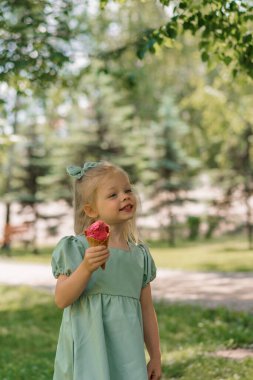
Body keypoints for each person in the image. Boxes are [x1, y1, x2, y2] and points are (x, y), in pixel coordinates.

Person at [51, 161, 162, 380]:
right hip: (88, 350)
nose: (124, 196)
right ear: (91, 209)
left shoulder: (139, 255)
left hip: (127, 353)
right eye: (113, 195)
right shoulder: (77, 248)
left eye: (128, 190)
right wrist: (86, 268)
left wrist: (156, 356)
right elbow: (62, 299)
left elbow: (147, 310)